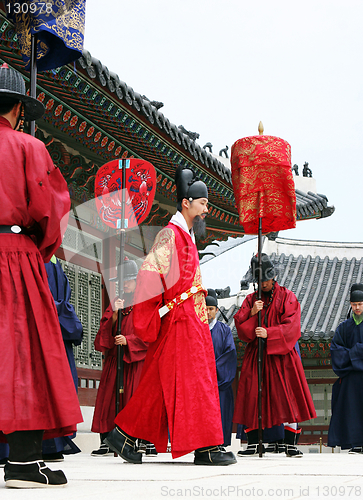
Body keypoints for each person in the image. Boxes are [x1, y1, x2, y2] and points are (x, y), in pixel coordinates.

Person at [104, 166, 236, 465]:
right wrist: (156, 312)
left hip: (193, 320)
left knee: (168, 382)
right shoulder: (170, 235)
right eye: (203, 203)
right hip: (179, 320)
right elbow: (150, 277)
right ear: (187, 203)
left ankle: (124, 435)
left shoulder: (186, 236)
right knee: (192, 381)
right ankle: (205, 446)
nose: (206, 210)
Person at [0, 63, 83, 488]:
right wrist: (38, 249)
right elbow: (51, 213)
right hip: (14, 256)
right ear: (17, 107)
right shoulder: (29, 147)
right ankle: (23, 464)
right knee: (23, 353)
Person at [233, 254, 316, 457]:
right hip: (256, 355)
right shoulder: (250, 300)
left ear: (273, 277)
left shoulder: (287, 296)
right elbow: (241, 327)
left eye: (266, 280)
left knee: (287, 397)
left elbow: (293, 326)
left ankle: (290, 443)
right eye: (259, 281)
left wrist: (270, 333)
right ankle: (253, 443)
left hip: (281, 355)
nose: (263, 284)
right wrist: (252, 314)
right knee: (252, 396)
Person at [91, 258, 151, 456]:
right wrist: (115, 315)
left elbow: (150, 333)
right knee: (109, 399)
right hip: (115, 360)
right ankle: (106, 440)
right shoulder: (117, 302)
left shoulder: (144, 302)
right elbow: (103, 334)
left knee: (133, 399)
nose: (125, 284)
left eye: (129, 280)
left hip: (135, 361)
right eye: (122, 280)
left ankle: (134, 439)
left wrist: (129, 340)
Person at [42, 256, 83, 462]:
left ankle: (46, 445)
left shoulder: (43, 259)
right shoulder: (48, 259)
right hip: (57, 327)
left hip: (43, 326)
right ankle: (52, 446)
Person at [328, 283, 363, 453]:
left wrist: (352, 353)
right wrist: (358, 353)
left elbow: (346, 352)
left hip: (357, 373)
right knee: (352, 412)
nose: (357, 308)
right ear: (350, 304)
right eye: (354, 304)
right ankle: (355, 443)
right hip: (350, 379)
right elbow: (336, 351)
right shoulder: (343, 328)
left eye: (360, 304)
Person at [206, 289, 237, 448]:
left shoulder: (224, 330)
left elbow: (229, 354)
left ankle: (220, 445)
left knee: (221, 412)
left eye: (211, 309)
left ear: (216, 310)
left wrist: (212, 369)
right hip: (201, 383)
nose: (208, 312)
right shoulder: (197, 330)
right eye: (205, 309)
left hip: (220, 382)